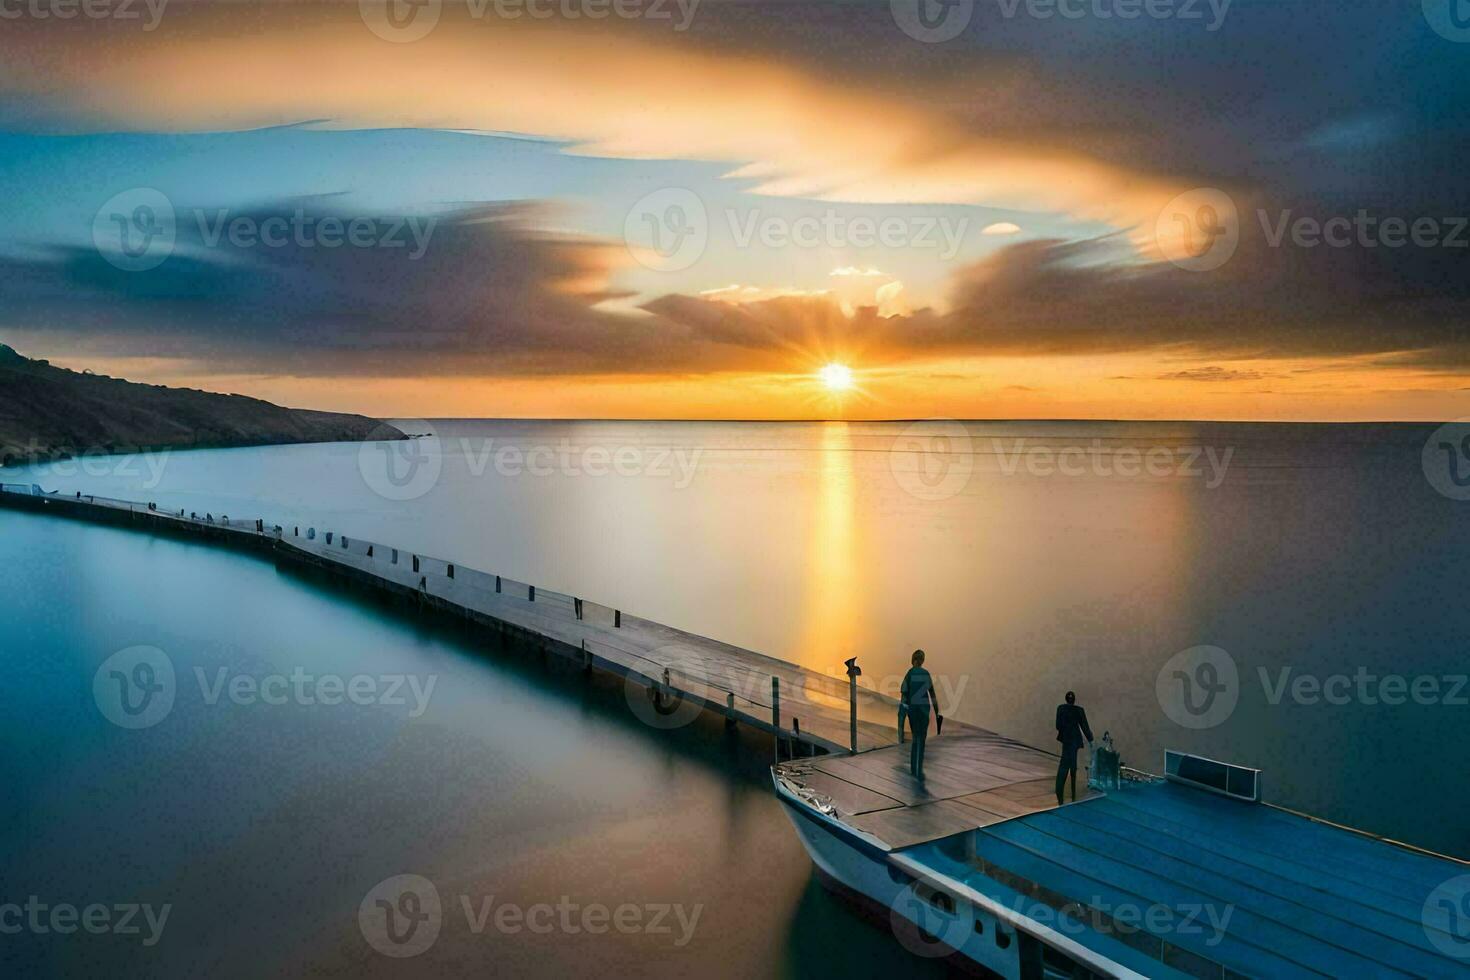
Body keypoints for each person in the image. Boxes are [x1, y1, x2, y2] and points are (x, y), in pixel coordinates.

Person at [900, 649, 943, 779]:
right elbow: (932, 695)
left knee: (915, 738)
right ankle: (919, 767)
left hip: (913, 711)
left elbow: (904, 693)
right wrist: (937, 712)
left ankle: (913, 768)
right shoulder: (926, 674)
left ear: (913, 660)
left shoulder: (910, 673)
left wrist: (902, 712)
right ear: (922, 660)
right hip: (924, 711)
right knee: (922, 740)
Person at [1054, 690, 1094, 805]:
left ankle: (1060, 791)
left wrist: (1065, 731)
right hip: (1075, 740)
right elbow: (1085, 727)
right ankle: (1073, 792)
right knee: (1072, 763)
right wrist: (1091, 740)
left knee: (1064, 764)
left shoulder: (1060, 708)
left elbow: (1058, 725)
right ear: (1074, 700)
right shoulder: (1079, 710)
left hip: (1066, 739)